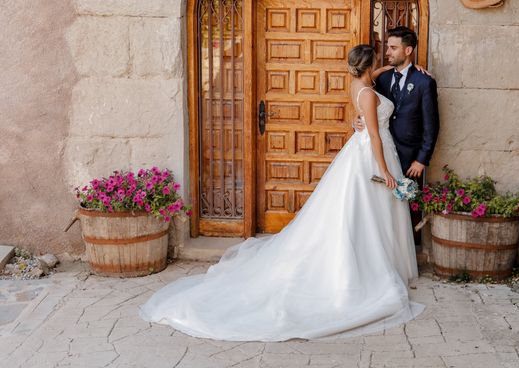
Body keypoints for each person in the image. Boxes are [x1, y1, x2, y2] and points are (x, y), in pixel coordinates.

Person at [139, 44, 424, 341]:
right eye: (378, 60)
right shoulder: (366, 93)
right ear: (370, 64)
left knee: (369, 212)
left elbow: (371, 87)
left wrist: (398, 69)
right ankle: (361, 268)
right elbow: (374, 134)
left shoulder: (360, 83)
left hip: (367, 151)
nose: (383, 61)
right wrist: (386, 172)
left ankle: (380, 260)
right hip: (370, 156)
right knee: (363, 211)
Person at [355, 26, 439, 245]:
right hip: (380, 153)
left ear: (408, 50)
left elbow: (432, 125)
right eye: (387, 47)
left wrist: (422, 159)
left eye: (393, 48)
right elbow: (363, 103)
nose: (388, 52)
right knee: (377, 208)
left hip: (409, 157)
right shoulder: (380, 80)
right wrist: (355, 120)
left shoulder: (424, 82)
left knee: (403, 212)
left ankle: (401, 254)